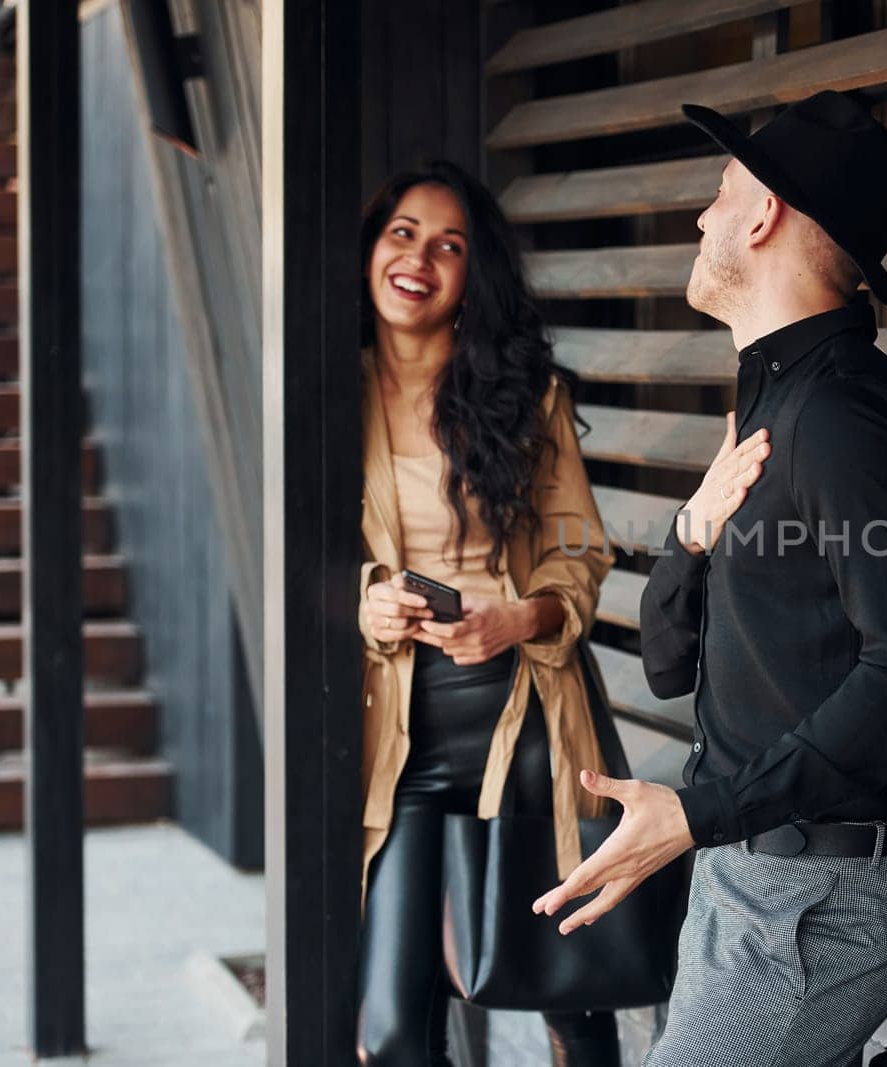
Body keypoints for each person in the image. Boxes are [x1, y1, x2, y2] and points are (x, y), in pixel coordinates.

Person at [531, 92, 887, 1066]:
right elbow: (674, 661)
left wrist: (694, 813)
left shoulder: (846, 415)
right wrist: (689, 528)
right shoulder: (774, 403)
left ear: (763, 215)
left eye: (718, 192)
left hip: (817, 899)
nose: (700, 217)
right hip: (747, 870)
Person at [354, 160, 619, 1066]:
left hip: (530, 722)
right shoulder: (323, 395)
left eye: (449, 245)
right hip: (398, 737)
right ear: (371, 249)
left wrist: (519, 617)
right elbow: (298, 560)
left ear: (475, 276)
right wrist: (364, 601)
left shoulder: (528, 396)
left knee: (572, 1006)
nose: (419, 256)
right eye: (403, 233)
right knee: (392, 1029)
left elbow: (580, 552)